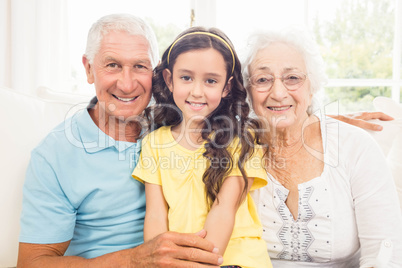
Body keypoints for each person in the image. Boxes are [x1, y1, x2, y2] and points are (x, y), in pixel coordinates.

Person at [17, 14, 223, 267]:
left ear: (156, 72)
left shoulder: (178, 122)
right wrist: (136, 259)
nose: (126, 85)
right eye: (112, 65)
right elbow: (32, 262)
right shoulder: (55, 154)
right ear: (89, 68)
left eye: (139, 66)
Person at [242, 28, 402, 267]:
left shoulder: (355, 146)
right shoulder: (234, 148)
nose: (278, 92)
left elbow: (384, 252)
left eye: (292, 78)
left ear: (312, 85)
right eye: (263, 80)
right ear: (248, 90)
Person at [132, 27, 271, 268]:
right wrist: (159, 261)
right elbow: (155, 214)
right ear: (169, 80)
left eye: (210, 81)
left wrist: (203, 264)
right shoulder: (154, 143)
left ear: (226, 87)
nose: (197, 91)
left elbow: (224, 210)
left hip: (234, 258)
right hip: (178, 261)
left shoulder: (240, 140)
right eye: (186, 77)